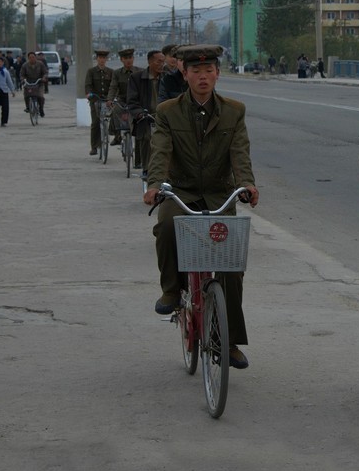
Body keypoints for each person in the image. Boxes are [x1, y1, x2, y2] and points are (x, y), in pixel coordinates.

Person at [142, 44, 260, 370]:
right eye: (196, 71)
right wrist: (155, 185)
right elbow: (161, 151)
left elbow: (240, 153)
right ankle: (171, 290)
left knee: (231, 267)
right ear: (185, 74)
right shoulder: (167, 111)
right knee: (165, 226)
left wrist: (247, 184)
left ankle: (229, 341)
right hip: (180, 192)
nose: (203, 77)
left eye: (209, 71)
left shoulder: (234, 111)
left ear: (218, 74)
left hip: (219, 196)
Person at [126, 48, 165, 177]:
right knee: (147, 138)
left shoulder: (167, 77)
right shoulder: (137, 78)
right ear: (150, 62)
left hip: (164, 117)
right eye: (158, 62)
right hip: (145, 117)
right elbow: (132, 101)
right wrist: (140, 113)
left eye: (163, 62)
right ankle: (146, 168)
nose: (161, 65)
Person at [84, 49, 114, 155]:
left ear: (106, 59)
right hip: (95, 100)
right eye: (100, 58)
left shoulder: (111, 72)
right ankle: (94, 147)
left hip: (107, 101)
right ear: (97, 59)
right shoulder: (91, 71)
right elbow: (88, 85)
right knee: (95, 122)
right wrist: (88, 94)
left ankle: (116, 137)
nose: (102, 60)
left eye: (104, 58)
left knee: (116, 118)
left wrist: (113, 97)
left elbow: (114, 86)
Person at [107, 48, 137, 145]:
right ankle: (117, 136)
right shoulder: (117, 73)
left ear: (133, 58)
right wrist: (110, 99)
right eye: (125, 58)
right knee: (115, 111)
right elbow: (113, 87)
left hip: (136, 101)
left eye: (130, 57)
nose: (128, 60)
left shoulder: (140, 71)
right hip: (122, 100)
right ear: (121, 60)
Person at [19, 51, 48, 117]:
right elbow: (21, 74)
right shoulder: (25, 65)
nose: (32, 59)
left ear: (35, 57)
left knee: (40, 96)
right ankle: (28, 107)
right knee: (26, 95)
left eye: (33, 57)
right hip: (29, 82)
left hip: (39, 82)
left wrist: (43, 78)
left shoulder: (40, 64)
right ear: (28, 58)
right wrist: (23, 80)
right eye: (30, 57)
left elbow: (45, 72)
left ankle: (41, 108)